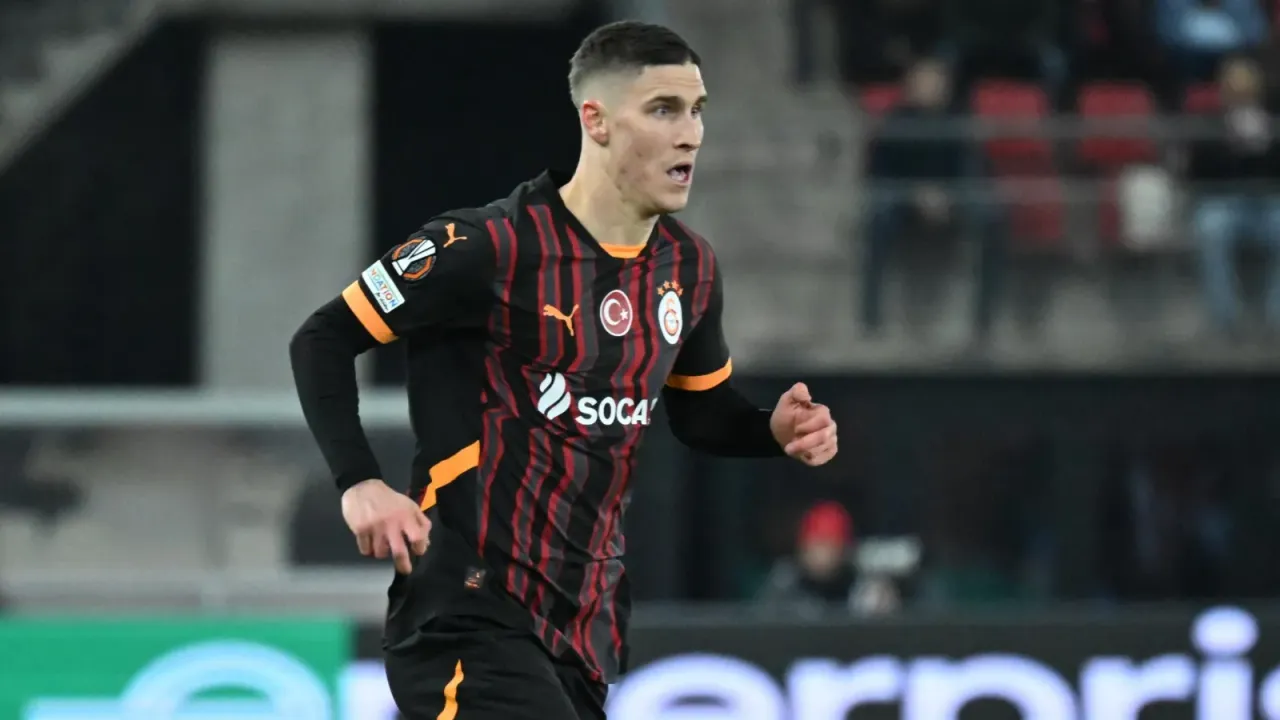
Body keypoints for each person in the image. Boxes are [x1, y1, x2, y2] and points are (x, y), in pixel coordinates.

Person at [290, 20, 839, 720]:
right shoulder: (484, 247)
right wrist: (359, 481)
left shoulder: (689, 267)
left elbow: (702, 413)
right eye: (664, 110)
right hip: (467, 612)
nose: (690, 135)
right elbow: (323, 337)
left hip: (583, 629)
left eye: (697, 110)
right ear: (596, 121)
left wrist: (772, 431)